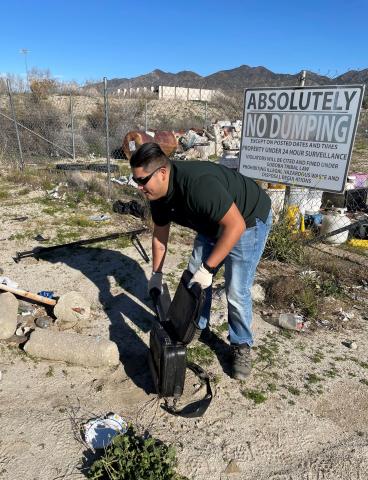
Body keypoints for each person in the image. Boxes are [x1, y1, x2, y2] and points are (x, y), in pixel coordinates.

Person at [130, 142, 272, 380]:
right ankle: (197, 325)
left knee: (236, 289)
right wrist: (156, 274)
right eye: (136, 181)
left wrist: (209, 268)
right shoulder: (158, 195)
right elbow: (161, 237)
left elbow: (234, 226)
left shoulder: (198, 186)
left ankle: (241, 345)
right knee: (193, 277)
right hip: (211, 223)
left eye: (142, 180)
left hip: (247, 221)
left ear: (162, 172)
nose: (139, 187)